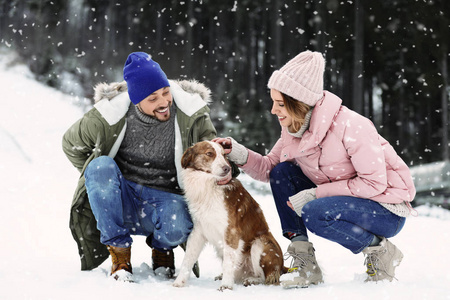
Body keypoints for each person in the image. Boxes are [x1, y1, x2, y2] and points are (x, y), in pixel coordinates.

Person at [213, 50, 416, 287]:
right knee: (282, 174)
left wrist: (315, 194)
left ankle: (379, 250)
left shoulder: (352, 126)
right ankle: (305, 263)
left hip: (384, 210)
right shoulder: (293, 129)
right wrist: (237, 153)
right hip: (346, 199)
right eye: (273, 102)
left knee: (315, 212)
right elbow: (269, 169)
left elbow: (374, 184)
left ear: (299, 103)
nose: (273, 110)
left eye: (280, 104)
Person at [62, 52, 220, 282]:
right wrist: (100, 185)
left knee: (177, 223)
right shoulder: (110, 116)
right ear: (136, 100)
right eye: (153, 98)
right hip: (123, 198)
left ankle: (162, 250)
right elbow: (70, 144)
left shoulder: (190, 114)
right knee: (99, 168)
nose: (164, 102)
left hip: (166, 198)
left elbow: (211, 154)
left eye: (165, 92)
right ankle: (119, 253)